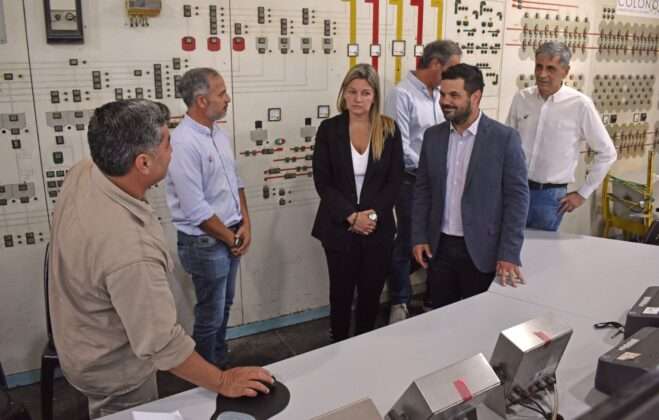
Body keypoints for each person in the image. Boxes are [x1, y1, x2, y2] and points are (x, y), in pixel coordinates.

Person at [48, 99, 273, 419]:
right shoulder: (130, 249)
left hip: (79, 335)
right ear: (143, 163)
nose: (173, 149)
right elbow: (162, 343)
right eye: (167, 143)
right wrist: (223, 381)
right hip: (113, 369)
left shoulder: (85, 171)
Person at [412, 64, 530, 309]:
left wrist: (509, 253)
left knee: (479, 319)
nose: (445, 101)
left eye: (454, 95)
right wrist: (419, 236)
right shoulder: (433, 137)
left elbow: (517, 200)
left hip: (481, 250)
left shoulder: (504, 138)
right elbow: (423, 190)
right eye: (443, 94)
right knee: (441, 317)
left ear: (476, 97)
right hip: (440, 248)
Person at [312, 63, 403, 342]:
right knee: (340, 293)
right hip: (339, 227)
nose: (358, 99)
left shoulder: (388, 129)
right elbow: (323, 182)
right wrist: (352, 217)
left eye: (365, 93)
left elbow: (394, 180)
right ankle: (338, 343)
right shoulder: (329, 129)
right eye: (352, 92)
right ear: (344, 94)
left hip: (377, 229)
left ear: (374, 96)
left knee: (370, 293)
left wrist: (370, 218)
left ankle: (364, 344)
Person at [166, 68, 250, 368]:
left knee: (224, 305)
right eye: (221, 93)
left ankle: (219, 359)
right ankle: (208, 373)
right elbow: (195, 209)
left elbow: (235, 181)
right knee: (210, 314)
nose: (228, 99)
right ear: (201, 101)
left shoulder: (217, 133)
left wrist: (245, 223)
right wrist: (232, 238)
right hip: (205, 242)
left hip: (230, 234)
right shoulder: (183, 143)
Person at [384, 40, 462, 322]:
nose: (456, 75)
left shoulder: (441, 95)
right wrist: (432, 169)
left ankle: (432, 298)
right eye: (452, 68)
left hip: (441, 180)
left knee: (438, 239)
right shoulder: (402, 94)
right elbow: (399, 146)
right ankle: (399, 302)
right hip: (411, 181)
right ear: (436, 64)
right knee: (407, 240)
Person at [507, 41, 617, 231]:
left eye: (551, 68)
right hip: (516, 189)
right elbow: (507, 144)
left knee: (542, 248)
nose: (542, 74)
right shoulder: (522, 98)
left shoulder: (580, 105)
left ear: (565, 72)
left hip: (550, 198)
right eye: (539, 66)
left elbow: (607, 153)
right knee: (508, 246)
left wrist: (582, 194)